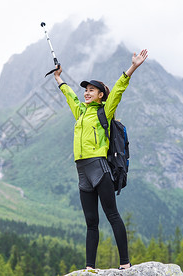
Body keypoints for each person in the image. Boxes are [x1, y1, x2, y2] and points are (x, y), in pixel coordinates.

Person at [53, 49, 148, 270]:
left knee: (112, 215)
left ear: (100, 95)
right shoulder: (80, 112)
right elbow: (70, 96)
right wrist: (59, 78)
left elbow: (118, 89)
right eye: (86, 90)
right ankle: (89, 268)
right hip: (83, 173)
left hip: (99, 169)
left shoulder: (104, 111)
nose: (86, 93)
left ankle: (125, 263)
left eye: (91, 90)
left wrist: (133, 67)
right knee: (91, 224)